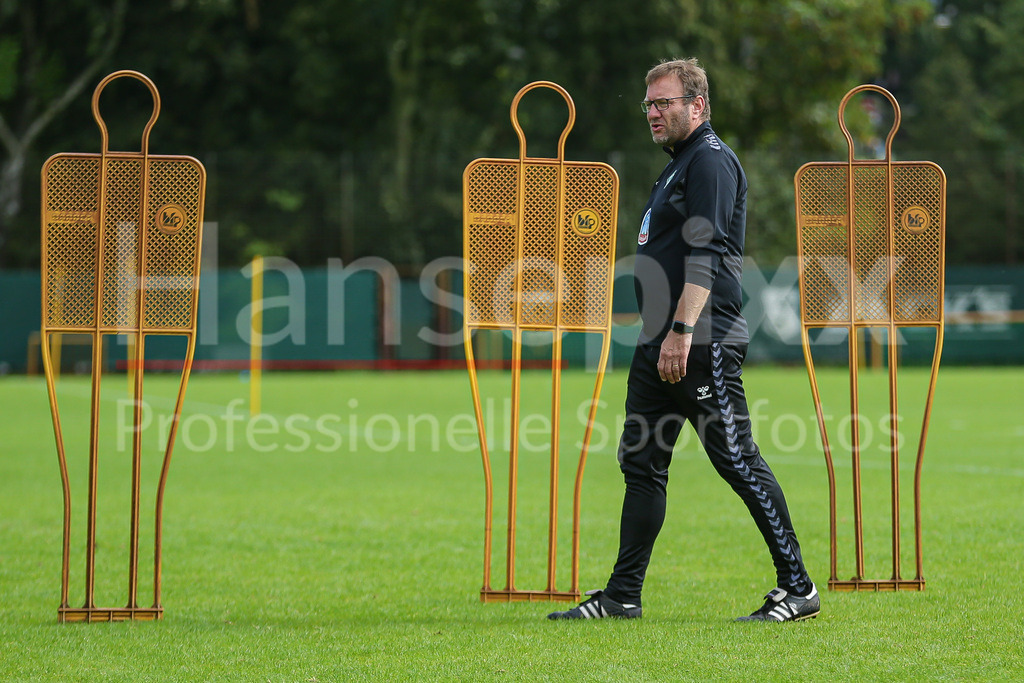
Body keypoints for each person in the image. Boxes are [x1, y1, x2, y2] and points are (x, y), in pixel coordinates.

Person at [549, 58, 818, 622]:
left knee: (737, 460)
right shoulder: (676, 165)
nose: (654, 112)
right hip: (659, 343)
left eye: (665, 102)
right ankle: (623, 596)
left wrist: (682, 329)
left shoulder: (711, 162)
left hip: (699, 340)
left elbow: (707, 253)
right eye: (648, 103)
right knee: (641, 465)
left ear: (697, 105)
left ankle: (798, 589)